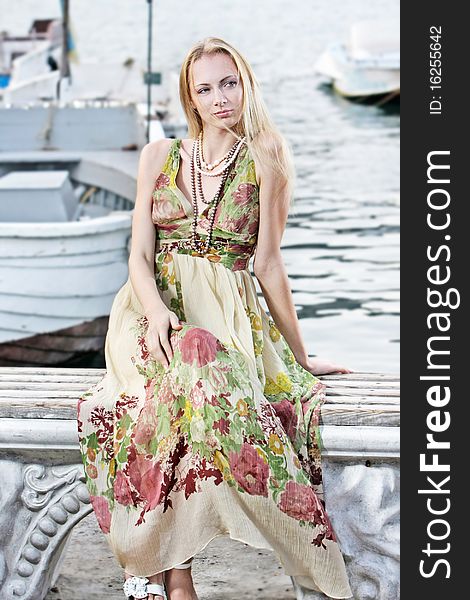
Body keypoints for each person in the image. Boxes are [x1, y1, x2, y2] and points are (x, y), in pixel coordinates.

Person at [77, 36, 354, 600]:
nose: (220, 97)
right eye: (205, 88)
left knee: (197, 368)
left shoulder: (266, 154)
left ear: (246, 83)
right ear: (190, 97)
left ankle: (164, 573)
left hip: (224, 313)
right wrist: (154, 311)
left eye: (229, 83)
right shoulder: (160, 154)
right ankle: (171, 573)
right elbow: (137, 254)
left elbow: (269, 264)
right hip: (146, 308)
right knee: (145, 392)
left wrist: (299, 358)